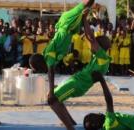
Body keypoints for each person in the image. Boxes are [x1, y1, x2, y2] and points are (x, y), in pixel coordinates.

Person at [28, 0, 95, 129]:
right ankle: (71, 123)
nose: (40, 71)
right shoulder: (49, 57)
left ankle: (70, 126)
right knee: (87, 6)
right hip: (70, 29)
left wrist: (51, 91)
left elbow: (51, 70)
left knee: (86, 3)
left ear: (39, 63)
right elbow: (50, 70)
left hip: (65, 22)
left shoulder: (48, 55)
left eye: (37, 69)